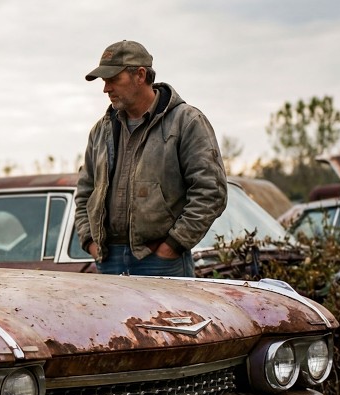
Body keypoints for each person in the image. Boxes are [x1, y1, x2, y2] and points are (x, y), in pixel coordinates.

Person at [74, 40, 226, 277]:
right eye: (104, 81)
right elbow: (84, 192)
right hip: (108, 261)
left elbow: (211, 191)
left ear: (140, 75)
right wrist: (90, 243)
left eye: (113, 79)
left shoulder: (187, 122)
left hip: (162, 262)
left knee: (167, 317)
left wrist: (173, 246)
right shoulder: (100, 131)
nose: (106, 89)